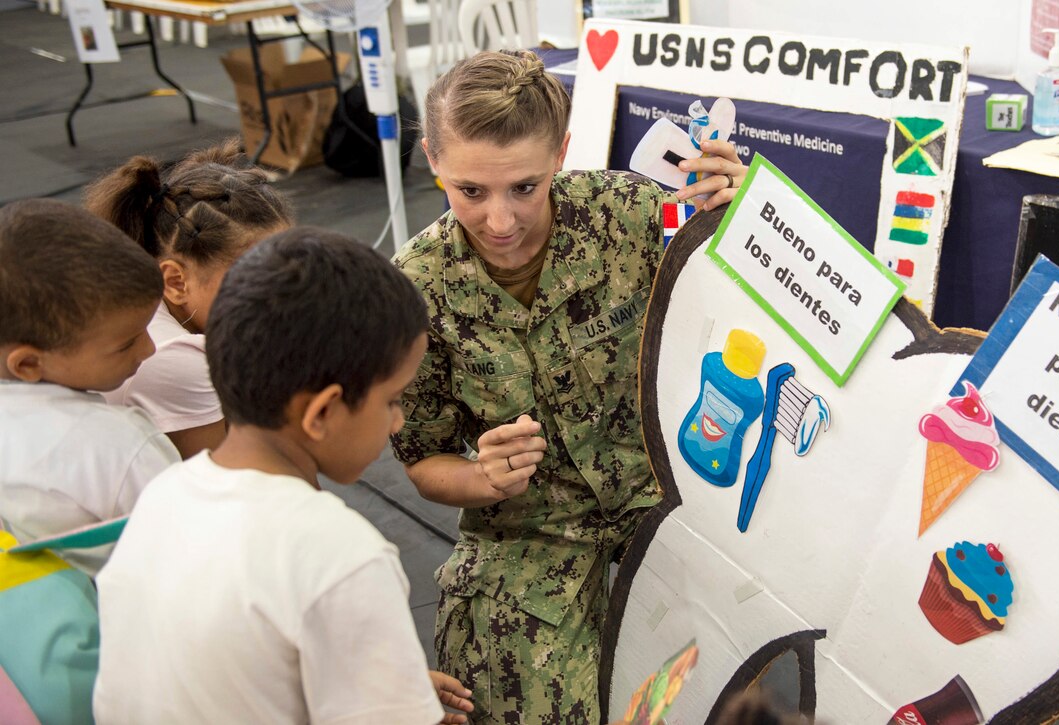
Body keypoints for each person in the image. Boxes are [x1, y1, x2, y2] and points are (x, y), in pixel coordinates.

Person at [391, 49, 747, 722]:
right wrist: (484, 479)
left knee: (731, 684)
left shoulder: (628, 215)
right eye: (471, 191)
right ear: (433, 161)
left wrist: (740, 213)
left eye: (524, 187)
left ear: (561, 152)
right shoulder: (414, 289)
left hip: (665, 499)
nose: (500, 221)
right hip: (530, 530)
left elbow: (743, 305)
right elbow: (424, 462)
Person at [94, 227, 474, 725]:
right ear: (320, 414)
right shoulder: (343, 555)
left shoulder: (164, 493)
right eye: (391, 400)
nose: (398, 421)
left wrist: (385, 684)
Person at [0, 198, 180, 576]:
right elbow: (191, 545)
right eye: (126, 343)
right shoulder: (122, 446)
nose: (149, 348)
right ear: (29, 364)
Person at [84, 138, 293, 459]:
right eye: (255, 279)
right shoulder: (173, 357)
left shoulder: (153, 302)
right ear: (176, 281)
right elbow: (227, 491)